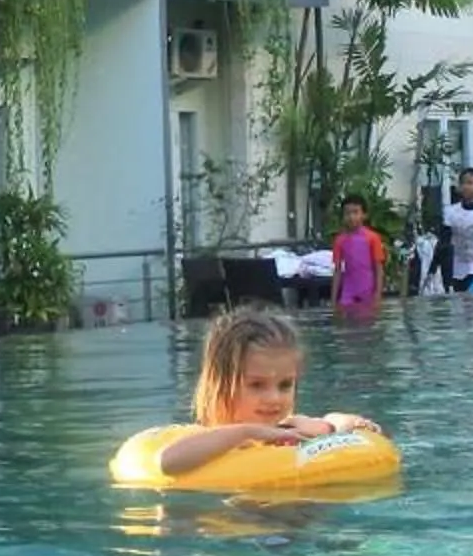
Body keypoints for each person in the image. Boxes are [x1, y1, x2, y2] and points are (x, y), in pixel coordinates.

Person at [152, 306, 382, 476]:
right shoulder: (200, 438)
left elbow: (341, 425)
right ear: (219, 383)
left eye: (285, 385)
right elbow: (167, 463)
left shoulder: (290, 428)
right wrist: (247, 432)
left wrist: (337, 423)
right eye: (256, 385)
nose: (274, 399)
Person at [327, 195, 390, 314]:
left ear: (364, 215)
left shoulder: (372, 238)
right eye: (347, 213)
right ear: (343, 216)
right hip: (348, 291)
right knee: (347, 327)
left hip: (368, 291)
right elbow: (337, 270)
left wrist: (377, 295)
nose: (351, 217)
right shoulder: (340, 240)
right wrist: (333, 299)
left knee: (367, 326)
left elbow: (378, 268)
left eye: (355, 212)